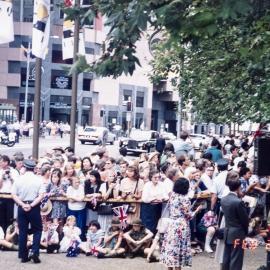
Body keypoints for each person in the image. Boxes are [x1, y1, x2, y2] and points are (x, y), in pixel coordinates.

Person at [160, 178, 202, 270]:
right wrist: (197, 210)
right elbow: (189, 216)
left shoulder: (173, 196)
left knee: (171, 248)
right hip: (181, 225)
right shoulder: (185, 199)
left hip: (172, 224)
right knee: (179, 250)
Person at [11, 159, 44, 263]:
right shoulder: (39, 180)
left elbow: (13, 194)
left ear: (24, 167)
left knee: (23, 231)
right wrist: (31, 205)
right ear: (34, 168)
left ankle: (23, 255)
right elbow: (41, 195)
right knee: (37, 230)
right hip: (33, 206)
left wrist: (22, 204)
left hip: (22, 206)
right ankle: (34, 252)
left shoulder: (19, 179)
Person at [221, 173, 249, 270]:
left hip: (228, 231)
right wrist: (246, 231)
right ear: (238, 188)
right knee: (236, 259)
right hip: (237, 233)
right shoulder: (238, 202)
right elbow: (245, 220)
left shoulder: (223, 199)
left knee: (227, 257)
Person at [141, 169, 169, 233]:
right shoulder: (147, 185)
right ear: (151, 177)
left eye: (158, 177)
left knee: (157, 225)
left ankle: (155, 240)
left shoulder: (162, 184)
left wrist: (162, 198)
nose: (157, 179)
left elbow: (166, 196)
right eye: (155, 177)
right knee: (148, 226)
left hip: (158, 207)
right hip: (148, 208)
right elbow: (144, 198)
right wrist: (154, 198)